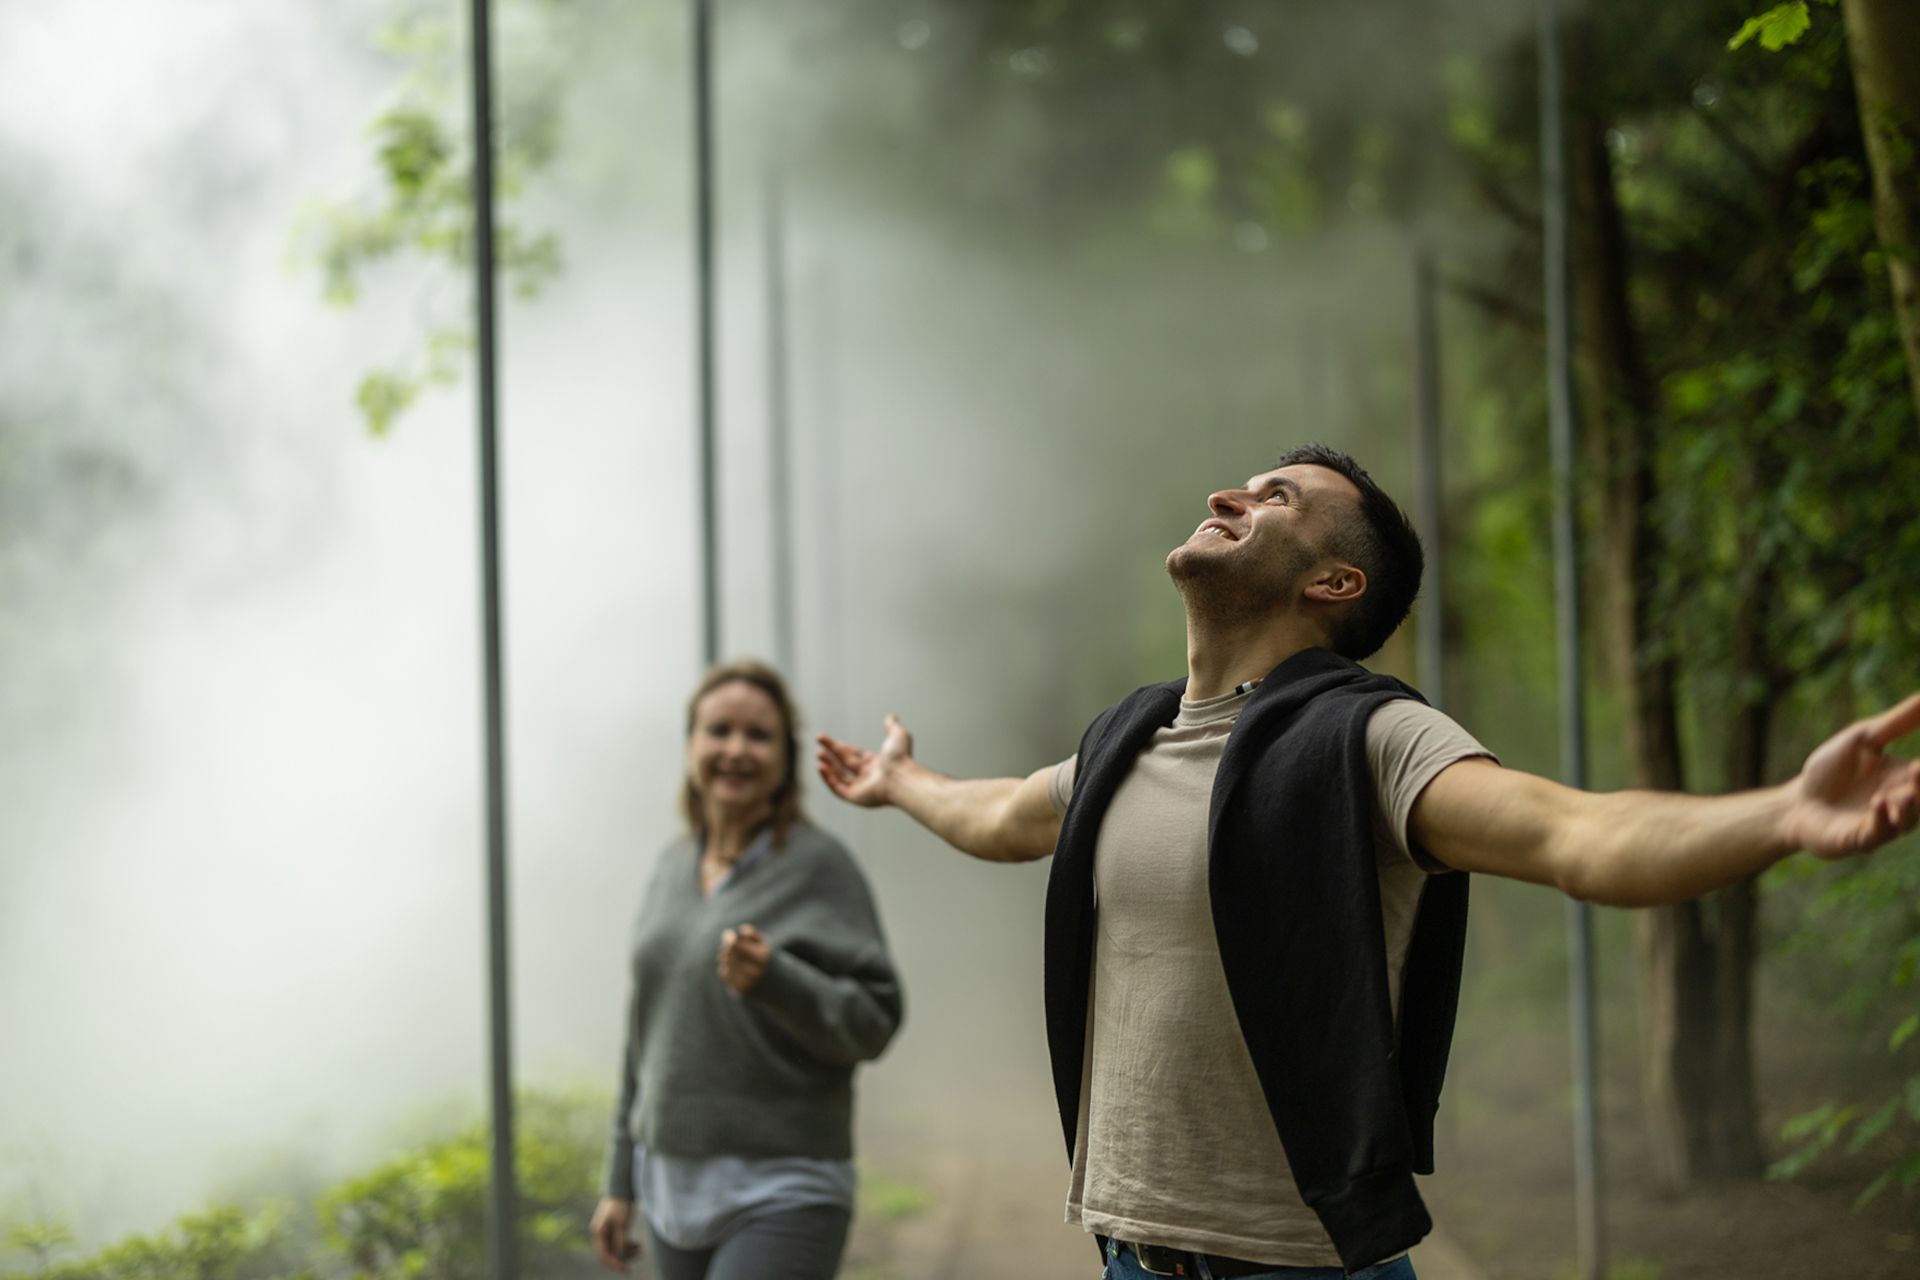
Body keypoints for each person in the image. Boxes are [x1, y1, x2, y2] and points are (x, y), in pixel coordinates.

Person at [815, 443, 1920, 1280]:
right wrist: (898, 782)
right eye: (1242, 487)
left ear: (1334, 583)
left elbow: (1575, 835)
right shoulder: (1128, 741)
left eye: (1275, 498)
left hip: (1296, 1261)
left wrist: (1783, 812)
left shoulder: (1372, 738)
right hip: (1131, 1252)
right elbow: (1004, 815)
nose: (1228, 498)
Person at [591, 659, 903, 1280]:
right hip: (669, 1187)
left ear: (785, 760)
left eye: (757, 736)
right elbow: (644, 1033)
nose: (736, 749)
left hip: (784, 1185)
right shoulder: (671, 867)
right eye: (718, 731)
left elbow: (875, 1020)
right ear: (690, 747)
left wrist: (776, 981)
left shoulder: (820, 868)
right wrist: (619, 1180)